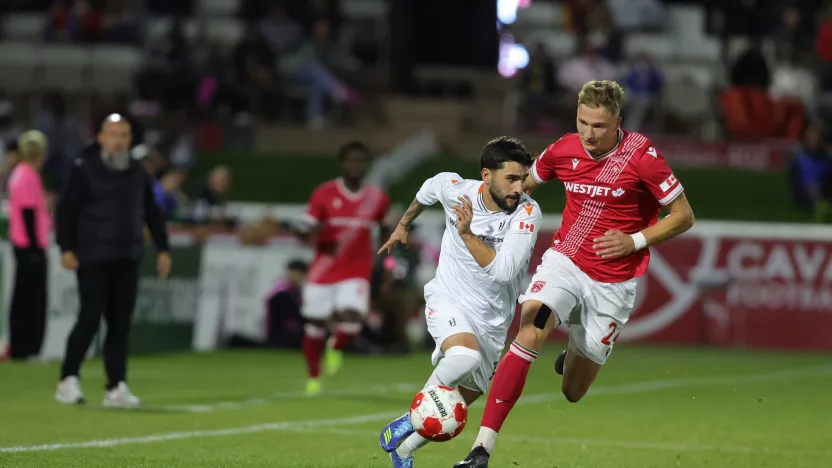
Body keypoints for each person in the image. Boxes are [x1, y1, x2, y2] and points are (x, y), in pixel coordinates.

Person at [454, 80, 695, 467]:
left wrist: (633, 241)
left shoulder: (643, 157)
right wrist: (485, 214)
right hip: (566, 261)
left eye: (598, 126)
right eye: (582, 122)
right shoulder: (564, 148)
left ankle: (573, 355)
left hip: (614, 281)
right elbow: (522, 186)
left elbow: (683, 216)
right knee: (531, 325)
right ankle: (481, 448)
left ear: (618, 121)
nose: (588, 133)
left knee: (573, 391)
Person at [376, 136, 541, 468]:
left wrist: (467, 234)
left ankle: (404, 452)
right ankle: (410, 419)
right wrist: (402, 225)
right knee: (463, 357)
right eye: (511, 178)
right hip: (448, 298)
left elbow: (505, 273)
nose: (519, 187)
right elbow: (428, 188)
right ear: (486, 175)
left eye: (523, 178)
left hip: (493, 319)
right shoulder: (455, 189)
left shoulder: (527, 212)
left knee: (459, 400)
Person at [54, 114, 172, 407]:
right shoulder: (84, 169)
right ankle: (68, 378)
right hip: (92, 257)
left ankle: (116, 385)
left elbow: (151, 212)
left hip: (127, 257)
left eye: (123, 135)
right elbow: (65, 211)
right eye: (113, 135)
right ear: (101, 138)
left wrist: (163, 248)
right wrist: (66, 247)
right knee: (90, 318)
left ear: (130, 140)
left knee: (120, 324)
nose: (118, 141)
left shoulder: (137, 172)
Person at [295, 141, 390, 395]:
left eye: (360, 160)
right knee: (315, 324)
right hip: (322, 271)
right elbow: (305, 226)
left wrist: (387, 247)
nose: (355, 165)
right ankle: (313, 376)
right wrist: (308, 232)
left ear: (366, 165)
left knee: (351, 316)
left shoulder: (376, 198)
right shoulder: (324, 193)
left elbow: (386, 225)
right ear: (342, 163)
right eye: (351, 160)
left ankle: (336, 346)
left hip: (356, 271)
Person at [7, 130, 50, 361]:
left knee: (23, 298)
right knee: (31, 299)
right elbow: (28, 214)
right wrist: (35, 249)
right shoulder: (27, 176)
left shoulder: (22, 174)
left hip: (24, 245)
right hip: (29, 246)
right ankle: (27, 347)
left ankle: (22, 347)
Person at [265, 259, 308, 349]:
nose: (301, 278)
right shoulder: (282, 293)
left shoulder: (296, 291)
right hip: (282, 335)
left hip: (290, 334)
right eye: (298, 274)